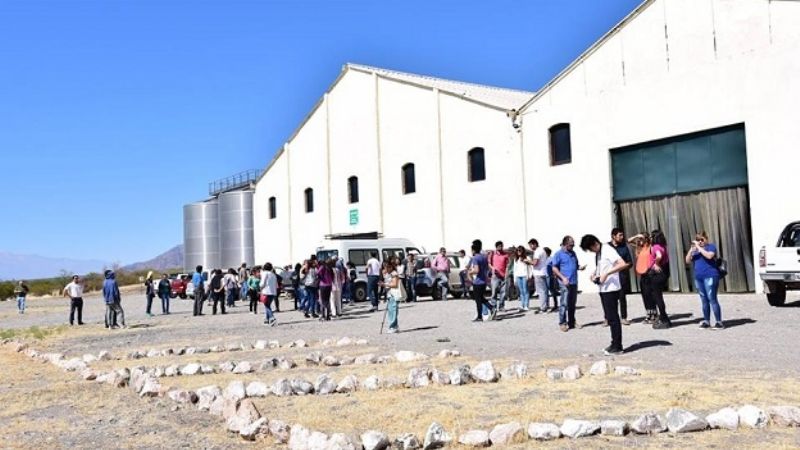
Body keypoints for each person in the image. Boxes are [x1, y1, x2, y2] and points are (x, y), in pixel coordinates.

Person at [581, 234, 628, 355]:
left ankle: (618, 346)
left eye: (591, 249)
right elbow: (602, 267)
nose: (591, 251)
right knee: (609, 316)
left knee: (613, 317)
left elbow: (622, 264)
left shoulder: (607, 249)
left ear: (594, 244)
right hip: (604, 289)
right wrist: (595, 274)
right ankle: (614, 343)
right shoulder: (599, 253)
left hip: (611, 289)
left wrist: (606, 274)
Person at [686, 231, 724, 329]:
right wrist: (691, 250)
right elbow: (687, 260)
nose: (700, 242)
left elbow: (709, 256)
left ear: (706, 239)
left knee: (712, 298)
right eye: (698, 240)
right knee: (704, 299)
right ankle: (706, 321)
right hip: (699, 278)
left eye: (702, 239)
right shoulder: (695, 251)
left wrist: (699, 248)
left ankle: (719, 322)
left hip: (710, 276)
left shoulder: (711, 246)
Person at [552, 236, 585, 332]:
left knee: (572, 303)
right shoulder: (558, 254)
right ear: (566, 244)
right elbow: (554, 268)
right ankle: (562, 323)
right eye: (571, 245)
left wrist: (579, 267)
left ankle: (572, 321)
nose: (573, 247)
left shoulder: (573, 253)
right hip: (564, 282)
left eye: (573, 245)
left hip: (574, 281)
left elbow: (575, 264)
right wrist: (563, 278)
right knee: (564, 303)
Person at [648, 229, 672, 329]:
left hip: (657, 274)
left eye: (651, 236)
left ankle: (663, 318)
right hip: (664, 272)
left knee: (657, 297)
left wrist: (656, 264)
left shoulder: (656, 247)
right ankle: (664, 317)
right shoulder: (663, 246)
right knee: (659, 296)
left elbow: (659, 256)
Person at [629, 233, 656, 323]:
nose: (640, 241)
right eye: (640, 240)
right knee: (645, 295)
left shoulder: (650, 247)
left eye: (642, 239)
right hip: (642, 274)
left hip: (649, 273)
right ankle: (648, 314)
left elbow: (652, 242)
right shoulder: (640, 248)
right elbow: (628, 241)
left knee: (650, 294)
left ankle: (654, 314)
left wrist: (645, 238)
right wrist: (637, 236)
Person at [609, 228, 633, 326]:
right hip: (610, 276)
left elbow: (629, 262)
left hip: (622, 276)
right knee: (610, 299)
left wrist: (623, 266)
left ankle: (623, 317)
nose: (622, 237)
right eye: (620, 235)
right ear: (613, 236)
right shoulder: (606, 247)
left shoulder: (624, 247)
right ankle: (608, 318)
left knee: (622, 297)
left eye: (622, 235)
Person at [467, 239, 496, 322]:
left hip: (478, 281)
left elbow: (476, 270)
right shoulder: (484, 257)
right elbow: (487, 269)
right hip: (484, 280)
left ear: (473, 250)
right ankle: (491, 308)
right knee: (481, 298)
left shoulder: (475, 258)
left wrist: (470, 273)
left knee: (478, 300)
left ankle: (480, 316)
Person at [382, 258, 404, 333]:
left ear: (390, 267)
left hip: (394, 294)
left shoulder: (394, 274)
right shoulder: (388, 274)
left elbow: (395, 284)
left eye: (387, 267)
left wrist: (384, 284)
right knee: (391, 310)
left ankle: (393, 326)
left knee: (393, 310)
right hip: (390, 294)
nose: (385, 269)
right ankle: (394, 325)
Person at [529, 239, 549, 313]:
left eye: (530, 245)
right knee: (544, 290)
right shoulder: (542, 250)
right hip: (543, 272)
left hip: (538, 273)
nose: (530, 247)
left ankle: (543, 307)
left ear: (534, 244)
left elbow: (535, 263)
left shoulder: (537, 251)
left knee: (541, 291)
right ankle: (546, 305)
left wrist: (528, 261)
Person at [512, 246, 532, 311]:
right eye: (517, 250)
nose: (518, 252)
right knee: (521, 291)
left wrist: (530, 276)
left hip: (524, 275)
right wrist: (514, 278)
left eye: (520, 250)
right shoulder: (516, 259)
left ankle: (526, 305)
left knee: (525, 290)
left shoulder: (527, 258)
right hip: (518, 276)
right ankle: (522, 305)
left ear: (523, 251)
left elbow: (530, 267)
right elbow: (515, 269)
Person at [544, 247, 559, 312]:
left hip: (550, 276)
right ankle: (546, 305)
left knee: (552, 290)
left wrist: (555, 275)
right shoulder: (543, 259)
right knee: (545, 291)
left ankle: (555, 305)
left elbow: (554, 267)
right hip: (544, 276)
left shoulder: (551, 259)